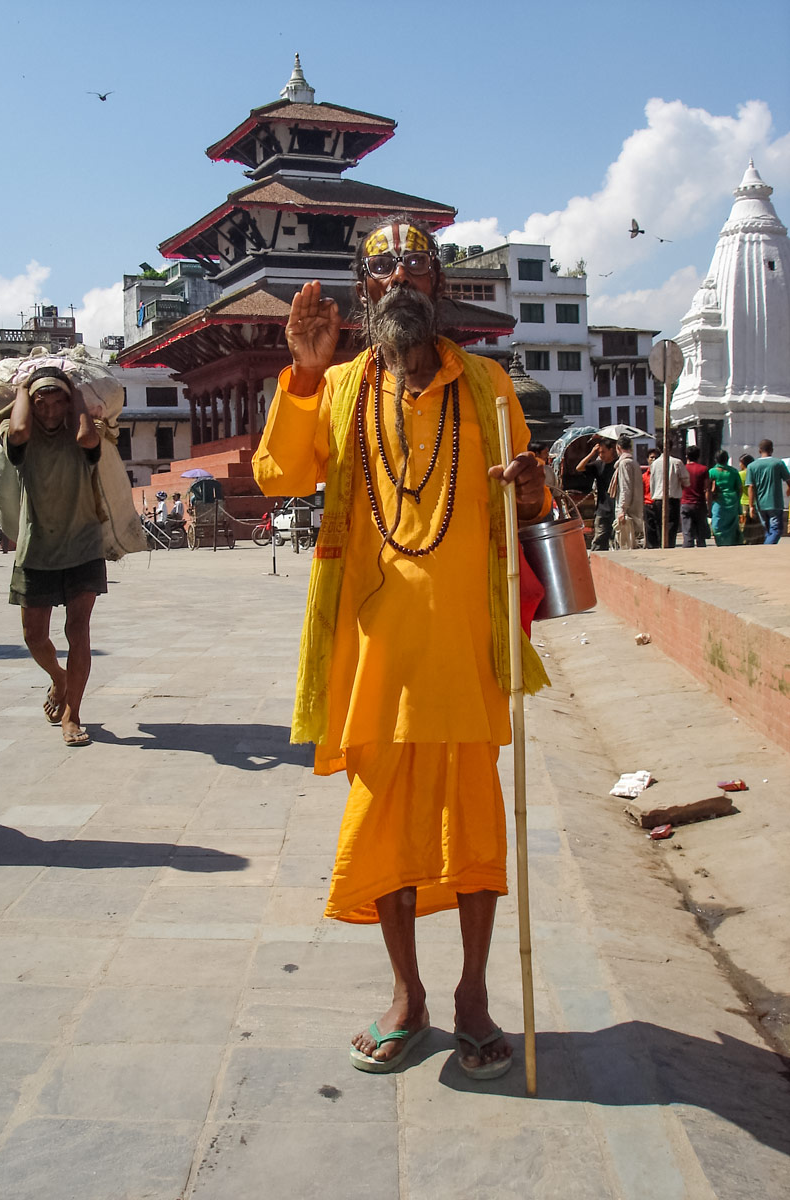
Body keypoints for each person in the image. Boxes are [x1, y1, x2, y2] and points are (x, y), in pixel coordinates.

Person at [252, 217, 551, 1080]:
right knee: (382, 824)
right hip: (376, 652)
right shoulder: (339, 387)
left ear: (438, 288)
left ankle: (472, 997)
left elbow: (527, 501)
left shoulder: (488, 384)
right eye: (382, 271)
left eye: (416, 267)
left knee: (476, 824)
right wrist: (304, 375)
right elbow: (281, 476)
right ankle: (407, 996)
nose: (400, 281)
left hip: (462, 646)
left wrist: (529, 487)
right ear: (364, 292)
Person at [3, 366, 105, 747]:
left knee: (78, 632)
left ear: (69, 404)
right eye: (41, 404)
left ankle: (72, 714)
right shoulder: (21, 441)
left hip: (82, 546)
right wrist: (24, 388)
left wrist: (74, 390)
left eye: (58, 402)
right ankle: (59, 679)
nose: (50, 411)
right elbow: (17, 430)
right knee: (34, 635)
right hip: (37, 550)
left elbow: (85, 434)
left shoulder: (84, 438)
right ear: (31, 404)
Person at [745, 439, 790, 545]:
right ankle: (767, 548)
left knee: (767, 530)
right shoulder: (778, 463)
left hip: (760, 504)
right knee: (776, 530)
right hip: (775, 502)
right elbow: (788, 480)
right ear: (772, 450)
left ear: (759, 450)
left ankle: (767, 548)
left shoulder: (752, 466)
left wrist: (751, 506)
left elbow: (750, 487)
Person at [575, 437, 617, 550]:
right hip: (603, 508)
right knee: (600, 538)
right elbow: (579, 468)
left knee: (616, 540)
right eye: (599, 452)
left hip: (617, 507)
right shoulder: (598, 465)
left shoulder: (618, 465)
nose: (601, 455)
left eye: (603, 452)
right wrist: (592, 453)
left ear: (611, 450)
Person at [649, 450, 689, 548]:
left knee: (660, 525)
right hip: (672, 499)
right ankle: (669, 546)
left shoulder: (655, 464)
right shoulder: (677, 462)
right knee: (671, 526)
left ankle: (662, 546)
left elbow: (652, 482)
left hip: (658, 498)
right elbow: (686, 480)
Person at [610, 435, 644, 549]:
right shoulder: (634, 462)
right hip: (635, 507)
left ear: (618, 447)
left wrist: (622, 509)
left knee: (626, 542)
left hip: (628, 510)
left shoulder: (625, 464)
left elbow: (625, 487)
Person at [708, 451, 743, 546]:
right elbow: (739, 489)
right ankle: (731, 544)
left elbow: (708, 489)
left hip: (718, 501)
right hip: (732, 500)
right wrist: (737, 500)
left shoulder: (712, 472)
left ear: (716, 460)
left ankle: (721, 543)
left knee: (717, 525)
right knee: (732, 525)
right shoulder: (734, 471)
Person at [680, 444, 709, 547]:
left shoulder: (683, 468)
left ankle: (688, 554)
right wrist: (708, 505)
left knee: (687, 533)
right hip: (699, 503)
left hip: (685, 503)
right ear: (698, 456)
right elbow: (706, 489)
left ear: (687, 456)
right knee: (701, 535)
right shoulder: (703, 469)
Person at [642, 448, 660, 549]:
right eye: (651, 457)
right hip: (648, 505)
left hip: (659, 503)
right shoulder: (644, 476)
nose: (653, 459)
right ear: (647, 459)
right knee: (649, 530)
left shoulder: (662, 475)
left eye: (656, 457)